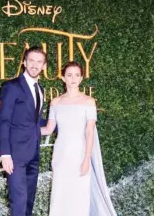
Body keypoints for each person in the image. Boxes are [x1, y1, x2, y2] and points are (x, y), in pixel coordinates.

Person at [41, 62, 117, 216]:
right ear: (63, 78)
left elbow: (89, 132)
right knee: (59, 195)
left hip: (80, 155)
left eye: (77, 75)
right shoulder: (55, 102)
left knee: (79, 196)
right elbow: (48, 129)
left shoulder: (89, 102)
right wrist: (23, 129)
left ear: (81, 78)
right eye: (69, 75)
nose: (73, 78)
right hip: (61, 155)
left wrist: (87, 159)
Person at [0, 46, 47, 216]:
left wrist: (64, 122)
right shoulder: (12, 86)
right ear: (24, 62)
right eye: (31, 60)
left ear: (44, 66)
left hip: (33, 153)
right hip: (15, 155)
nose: (34, 65)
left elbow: (34, 121)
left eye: (39, 62)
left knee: (28, 202)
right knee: (18, 202)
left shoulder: (40, 90)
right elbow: (4, 120)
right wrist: (5, 154)